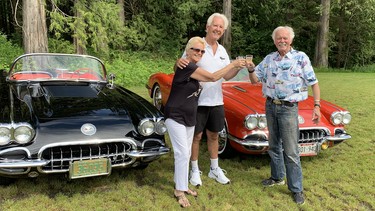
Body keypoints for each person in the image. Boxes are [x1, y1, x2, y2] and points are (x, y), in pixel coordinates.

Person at [166, 36, 245, 208]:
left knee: (185, 152)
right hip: (176, 115)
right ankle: (179, 191)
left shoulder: (191, 66)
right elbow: (212, 77)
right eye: (196, 50)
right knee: (182, 154)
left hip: (189, 116)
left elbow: (218, 76)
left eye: (202, 51)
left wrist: (235, 68)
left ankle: (183, 185)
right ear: (187, 50)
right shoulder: (187, 65)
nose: (199, 53)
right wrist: (232, 63)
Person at [247, 26, 321, 205]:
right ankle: (277, 177)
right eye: (278, 38)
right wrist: (250, 69)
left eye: (285, 38)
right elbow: (255, 80)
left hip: (289, 108)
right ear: (274, 41)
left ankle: (296, 189)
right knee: (273, 146)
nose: (282, 41)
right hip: (271, 106)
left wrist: (317, 105)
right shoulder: (269, 59)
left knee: (291, 151)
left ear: (291, 40)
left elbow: (314, 83)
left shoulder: (300, 58)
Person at [177, 13, 241, 187]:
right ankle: (194, 170)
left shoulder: (221, 50)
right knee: (196, 136)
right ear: (207, 27)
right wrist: (178, 62)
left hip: (216, 100)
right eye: (215, 25)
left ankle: (214, 169)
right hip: (196, 101)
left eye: (221, 27)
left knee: (214, 135)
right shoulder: (198, 45)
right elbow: (182, 65)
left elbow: (226, 75)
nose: (218, 29)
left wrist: (237, 67)